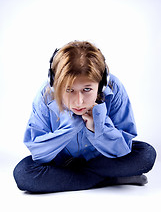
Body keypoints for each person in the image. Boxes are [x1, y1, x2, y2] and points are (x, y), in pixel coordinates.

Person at [13, 41, 156, 193]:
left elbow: (123, 150)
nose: (79, 101)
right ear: (56, 85)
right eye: (69, 90)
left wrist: (98, 127)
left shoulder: (114, 88)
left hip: (102, 158)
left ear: (101, 84)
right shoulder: (46, 95)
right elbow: (38, 153)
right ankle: (110, 179)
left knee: (146, 154)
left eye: (87, 89)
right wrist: (71, 127)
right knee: (24, 174)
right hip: (61, 162)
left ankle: (75, 179)